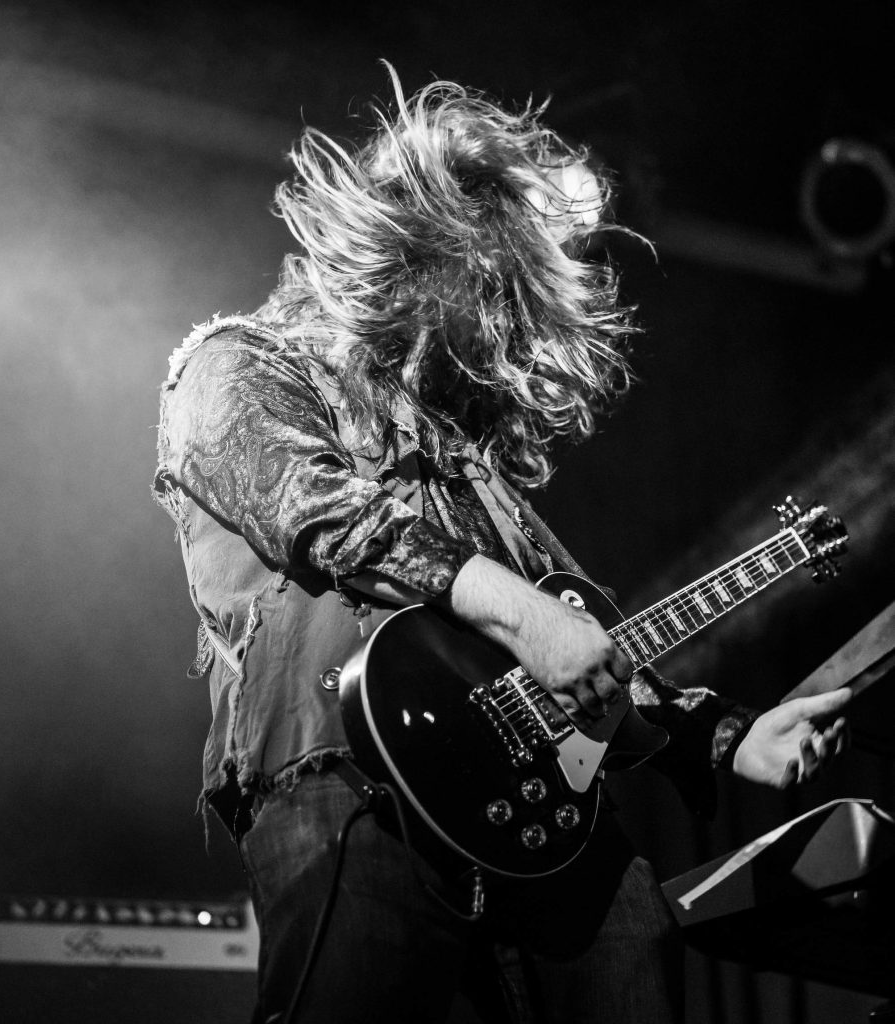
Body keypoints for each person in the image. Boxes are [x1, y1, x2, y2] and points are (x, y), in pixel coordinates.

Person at [154, 67, 850, 1024]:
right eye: (483, 281)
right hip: (351, 785)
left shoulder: (465, 459)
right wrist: (521, 612)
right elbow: (317, 510)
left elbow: (576, 649)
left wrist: (728, 740)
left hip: (538, 829)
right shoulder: (233, 365)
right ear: (419, 250)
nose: (490, 319)